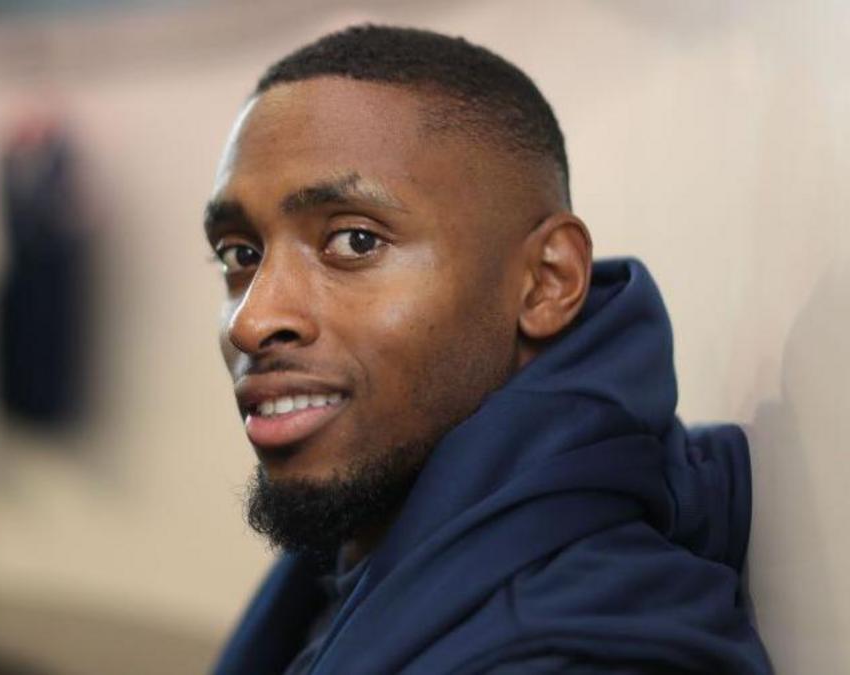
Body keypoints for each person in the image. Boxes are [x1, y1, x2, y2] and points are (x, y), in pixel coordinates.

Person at [204, 25, 772, 674]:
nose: (253, 321)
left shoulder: (576, 649)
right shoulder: (358, 548)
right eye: (240, 255)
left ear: (546, 282)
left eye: (355, 241)